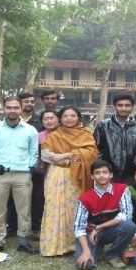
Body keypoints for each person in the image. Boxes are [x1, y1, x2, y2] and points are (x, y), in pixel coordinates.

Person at [0, 96, 38, 254]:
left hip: (23, 175)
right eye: (9, 108)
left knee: (24, 209)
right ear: (3, 109)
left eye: (15, 108)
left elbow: (33, 154)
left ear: (21, 109)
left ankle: (23, 240)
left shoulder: (30, 130)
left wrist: (29, 172)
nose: (12, 111)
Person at [40, 106, 98, 256]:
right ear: (60, 118)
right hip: (56, 176)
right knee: (54, 207)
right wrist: (68, 160)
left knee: (74, 209)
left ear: (78, 117)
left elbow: (91, 153)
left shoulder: (86, 135)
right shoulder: (54, 135)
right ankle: (54, 247)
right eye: (66, 116)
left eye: (73, 115)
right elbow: (45, 155)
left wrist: (65, 155)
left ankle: (74, 245)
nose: (69, 119)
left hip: (77, 177)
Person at [74, 159, 136, 270]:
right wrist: (86, 250)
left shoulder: (122, 189)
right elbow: (79, 227)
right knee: (85, 265)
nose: (101, 176)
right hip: (91, 234)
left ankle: (112, 254)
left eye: (105, 172)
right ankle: (96, 249)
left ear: (111, 174)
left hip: (109, 230)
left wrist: (99, 227)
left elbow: (126, 215)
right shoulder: (84, 199)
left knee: (129, 226)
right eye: (97, 173)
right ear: (92, 176)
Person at [6, 92, 43, 238]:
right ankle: (12, 226)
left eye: (32, 101)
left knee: (36, 197)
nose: (29, 104)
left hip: (36, 166)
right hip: (14, 166)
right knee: (11, 198)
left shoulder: (40, 121)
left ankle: (34, 227)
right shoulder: (9, 121)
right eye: (26, 101)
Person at [93, 93, 136, 184]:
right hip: (107, 173)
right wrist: (102, 168)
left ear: (132, 107)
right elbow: (96, 149)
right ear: (114, 107)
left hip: (130, 174)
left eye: (127, 105)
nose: (123, 108)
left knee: (128, 197)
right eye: (120, 105)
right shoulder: (103, 125)